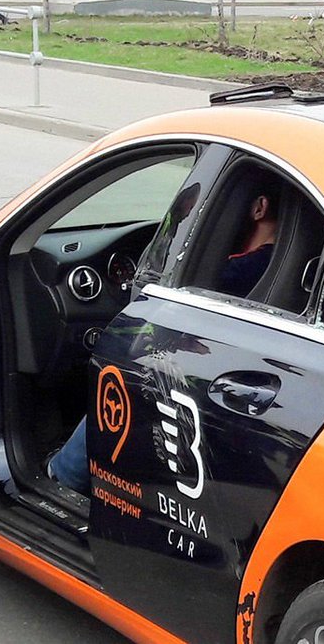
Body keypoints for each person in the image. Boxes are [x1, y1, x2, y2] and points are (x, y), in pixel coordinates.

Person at [47, 184, 279, 492]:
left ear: (259, 208)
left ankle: (66, 473)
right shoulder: (285, 268)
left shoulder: (233, 272)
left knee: (123, 361)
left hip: (205, 376)